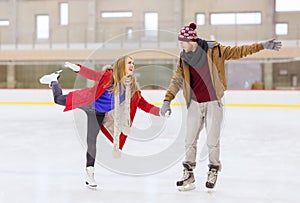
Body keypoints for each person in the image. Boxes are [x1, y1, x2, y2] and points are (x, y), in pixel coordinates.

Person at [160, 22, 282, 191]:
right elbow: (177, 79)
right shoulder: (184, 56)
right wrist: (167, 100)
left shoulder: (215, 50)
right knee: (189, 140)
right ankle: (188, 173)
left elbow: (239, 51)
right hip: (195, 103)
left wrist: (262, 45)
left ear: (192, 41)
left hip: (213, 102)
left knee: (212, 140)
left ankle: (213, 170)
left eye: (182, 41)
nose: (180, 44)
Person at [39, 55, 161, 189]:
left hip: (98, 113)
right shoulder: (108, 76)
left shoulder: (131, 89)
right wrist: (76, 68)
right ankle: (54, 81)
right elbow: (92, 74)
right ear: (121, 66)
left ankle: (89, 172)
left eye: (133, 63)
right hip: (87, 101)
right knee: (58, 100)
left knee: (91, 140)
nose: (132, 65)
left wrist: (159, 111)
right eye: (129, 63)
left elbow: (143, 104)